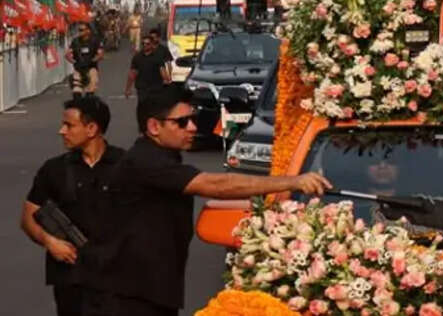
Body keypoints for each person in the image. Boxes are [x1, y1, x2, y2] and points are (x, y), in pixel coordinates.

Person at [85, 86, 331, 315]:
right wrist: (292, 181)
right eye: (182, 122)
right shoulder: (146, 161)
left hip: (147, 291)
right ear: (154, 127)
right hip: (126, 296)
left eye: (194, 120)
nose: (192, 127)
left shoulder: (162, 157)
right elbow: (217, 185)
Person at [21, 96, 123, 316]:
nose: (62, 131)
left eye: (69, 125)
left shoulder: (126, 166)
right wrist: (49, 241)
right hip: (71, 279)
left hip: (117, 278)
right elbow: (28, 217)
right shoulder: (54, 169)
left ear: (92, 128)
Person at [66, 23, 104, 98]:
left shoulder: (95, 41)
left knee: (90, 93)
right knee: (76, 93)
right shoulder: (75, 41)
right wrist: (73, 61)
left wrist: (93, 60)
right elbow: (67, 54)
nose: (80, 32)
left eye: (82, 30)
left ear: (88, 31)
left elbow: (101, 54)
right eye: (79, 30)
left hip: (91, 68)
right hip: (78, 69)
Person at [125, 36, 169, 101]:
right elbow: (132, 74)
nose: (145, 45)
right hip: (142, 89)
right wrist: (128, 89)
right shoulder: (137, 57)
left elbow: (162, 71)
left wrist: (166, 81)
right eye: (143, 43)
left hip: (155, 89)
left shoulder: (158, 57)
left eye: (147, 44)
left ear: (152, 45)